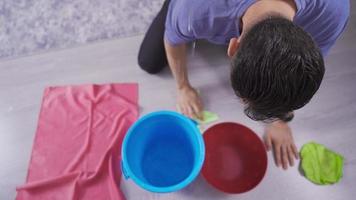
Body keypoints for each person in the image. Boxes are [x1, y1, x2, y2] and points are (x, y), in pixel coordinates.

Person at [137, 0, 350, 170]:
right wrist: (183, 87)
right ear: (233, 46)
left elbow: (302, 73)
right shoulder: (194, 9)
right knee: (148, 61)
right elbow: (172, 40)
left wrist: (279, 120)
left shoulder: (334, 12)